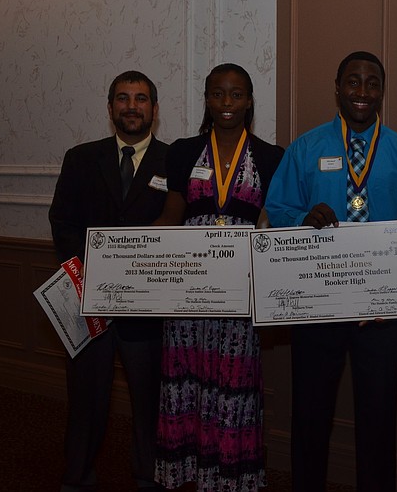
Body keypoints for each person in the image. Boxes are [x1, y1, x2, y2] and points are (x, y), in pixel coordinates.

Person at [264, 51, 397, 492]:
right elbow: (276, 209)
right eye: (353, 82)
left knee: (378, 418)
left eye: (372, 83)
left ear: (382, 90)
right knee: (310, 414)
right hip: (317, 308)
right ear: (337, 87)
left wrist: (394, 298)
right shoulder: (306, 148)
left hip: (380, 314)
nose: (362, 92)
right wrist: (304, 218)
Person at [153, 63, 283, 492]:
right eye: (218, 94)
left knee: (233, 382)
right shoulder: (183, 151)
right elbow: (173, 215)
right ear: (207, 99)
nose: (227, 103)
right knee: (186, 378)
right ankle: (188, 472)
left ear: (249, 101)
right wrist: (125, 253)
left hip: (240, 293)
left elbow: (271, 224)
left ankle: (229, 477)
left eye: (237, 94)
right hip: (187, 289)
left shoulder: (270, 156)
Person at [49, 70, 169, 491]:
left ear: (154, 110)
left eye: (140, 99)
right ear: (110, 108)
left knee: (149, 399)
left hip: (148, 311)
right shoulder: (80, 158)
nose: (131, 106)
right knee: (85, 397)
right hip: (89, 302)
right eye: (122, 98)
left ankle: (148, 474)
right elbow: (61, 223)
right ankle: (78, 474)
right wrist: (95, 274)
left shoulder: (173, 161)